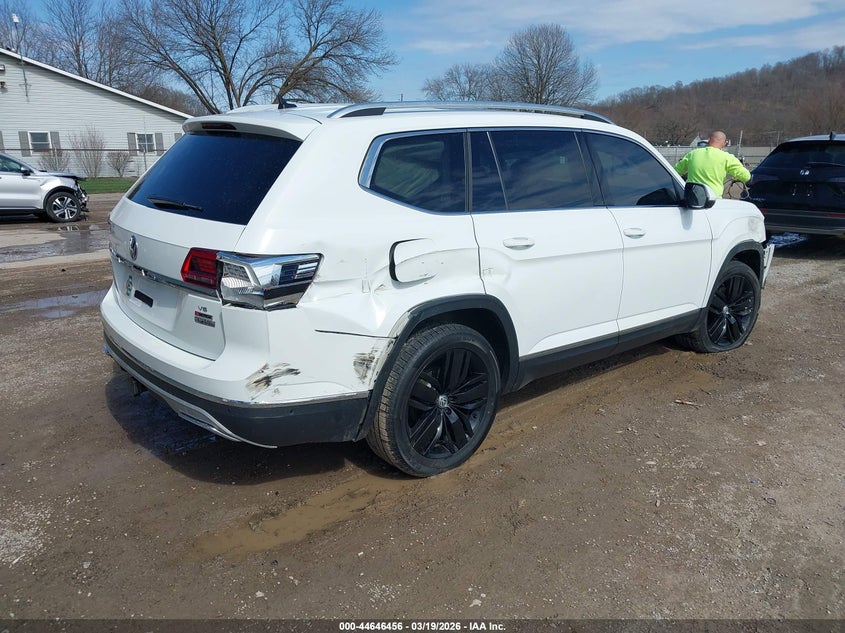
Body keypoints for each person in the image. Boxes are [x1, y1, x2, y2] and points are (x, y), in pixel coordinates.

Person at [674, 130, 750, 198]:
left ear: (708, 140)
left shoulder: (692, 154)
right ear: (724, 144)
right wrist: (736, 177)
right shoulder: (727, 158)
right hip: (713, 199)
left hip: (692, 199)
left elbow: (675, 171)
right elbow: (746, 177)